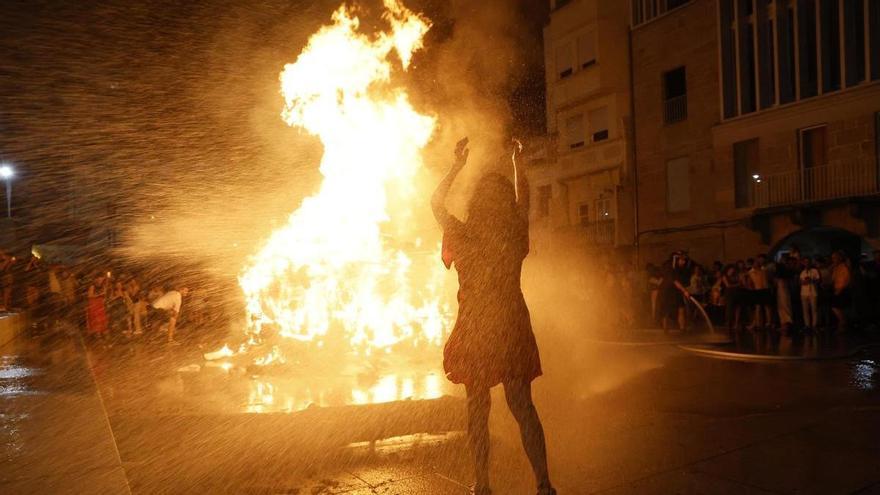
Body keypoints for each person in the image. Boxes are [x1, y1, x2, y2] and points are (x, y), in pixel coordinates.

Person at [432, 138, 554, 495]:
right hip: (510, 324)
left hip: (477, 326)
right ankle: (544, 484)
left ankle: (483, 485)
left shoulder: (463, 233)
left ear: (475, 204)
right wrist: (519, 163)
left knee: (478, 410)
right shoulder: (513, 232)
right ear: (505, 204)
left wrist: (457, 166)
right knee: (523, 406)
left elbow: (435, 202)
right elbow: (525, 201)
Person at [747, 256, 773, 330]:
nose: (756, 264)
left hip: (765, 290)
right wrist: (752, 289)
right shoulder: (751, 272)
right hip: (758, 290)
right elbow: (749, 283)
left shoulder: (763, 271)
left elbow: (767, 280)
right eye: (755, 263)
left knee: (767, 307)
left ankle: (768, 323)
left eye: (758, 263)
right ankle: (758, 324)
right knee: (758, 307)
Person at [830, 251, 852, 332]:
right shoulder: (836, 268)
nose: (833, 259)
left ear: (839, 258)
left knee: (837, 307)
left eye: (834, 258)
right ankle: (842, 322)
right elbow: (833, 279)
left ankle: (843, 322)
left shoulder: (844, 267)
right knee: (836, 307)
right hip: (837, 289)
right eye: (832, 258)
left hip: (842, 290)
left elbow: (847, 279)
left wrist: (841, 289)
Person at [799, 257, 821, 330]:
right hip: (804, 293)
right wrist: (804, 282)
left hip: (813, 292)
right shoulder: (802, 272)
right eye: (805, 262)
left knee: (814, 309)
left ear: (810, 263)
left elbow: (818, 280)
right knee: (805, 310)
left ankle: (814, 325)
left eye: (808, 262)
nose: (807, 263)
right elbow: (800, 282)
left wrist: (812, 280)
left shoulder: (814, 271)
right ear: (803, 263)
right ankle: (807, 325)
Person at [85, 273, 109, 338]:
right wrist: (98, 295)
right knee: (95, 318)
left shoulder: (103, 286)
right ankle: (97, 332)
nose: (100, 280)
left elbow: (104, 295)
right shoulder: (92, 286)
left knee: (101, 318)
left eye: (101, 279)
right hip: (94, 304)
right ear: (96, 279)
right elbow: (89, 296)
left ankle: (102, 331)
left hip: (100, 304)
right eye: (99, 279)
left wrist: (104, 295)